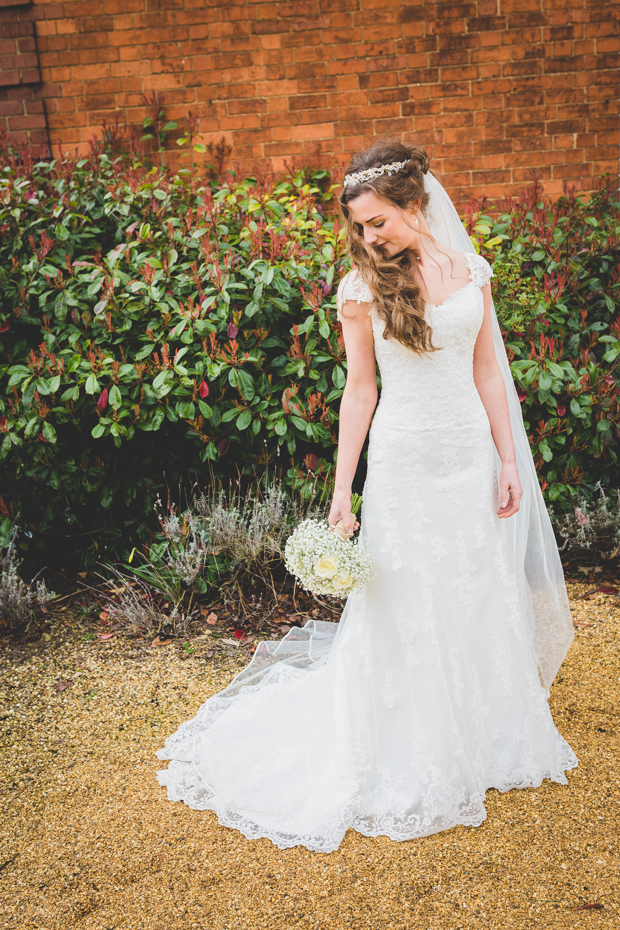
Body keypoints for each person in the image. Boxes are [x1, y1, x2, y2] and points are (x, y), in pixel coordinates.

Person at [156, 140, 577, 854]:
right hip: (407, 462)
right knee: (404, 594)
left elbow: (486, 374)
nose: (368, 236)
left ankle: (481, 727)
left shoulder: (473, 272)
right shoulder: (361, 288)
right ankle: (407, 734)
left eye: (378, 221)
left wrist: (508, 459)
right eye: (359, 226)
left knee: (474, 582)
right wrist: (342, 489)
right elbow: (361, 389)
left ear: (416, 205)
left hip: (469, 453)